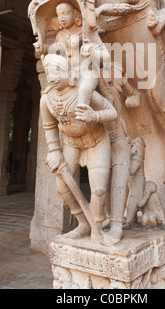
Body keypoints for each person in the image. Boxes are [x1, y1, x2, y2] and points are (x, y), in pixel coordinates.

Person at [40, 53, 117, 240]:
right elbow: (49, 126)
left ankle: (97, 226)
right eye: (49, 72)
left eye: (57, 71)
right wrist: (54, 151)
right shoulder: (46, 99)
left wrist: (94, 116)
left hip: (96, 140)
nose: (52, 76)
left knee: (99, 189)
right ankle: (83, 223)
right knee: (62, 187)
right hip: (71, 143)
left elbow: (112, 112)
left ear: (70, 74)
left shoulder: (83, 92)